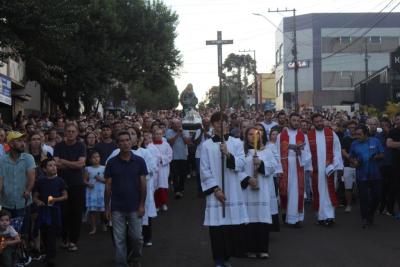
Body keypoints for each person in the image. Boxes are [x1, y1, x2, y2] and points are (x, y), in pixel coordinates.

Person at [200, 112, 248, 267]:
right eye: (217, 122)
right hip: (216, 192)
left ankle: (227, 257)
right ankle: (218, 259)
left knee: (230, 227)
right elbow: (204, 169)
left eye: (224, 122)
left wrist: (228, 154)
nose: (221, 124)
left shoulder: (236, 142)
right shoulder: (206, 145)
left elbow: (241, 164)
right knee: (217, 228)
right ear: (213, 125)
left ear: (228, 124)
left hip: (232, 189)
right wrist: (215, 189)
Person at [105, 131, 147, 267]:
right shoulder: (111, 163)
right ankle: (122, 264)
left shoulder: (139, 161)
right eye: (122, 141)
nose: (125, 143)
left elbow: (143, 185)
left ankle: (135, 258)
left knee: (137, 238)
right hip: (117, 207)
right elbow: (108, 187)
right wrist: (107, 208)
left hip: (135, 206)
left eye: (127, 140)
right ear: (117, 144)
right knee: (119, 240)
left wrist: (142, 205)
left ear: (131, 141)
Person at [239, 127, 277, 259]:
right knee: (249, 219)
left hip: (262, 191)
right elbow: (236, 169)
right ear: (245, 136)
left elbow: (273, 166)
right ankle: (249, 249)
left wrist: (261, 164)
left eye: (256, 134)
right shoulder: (241, 152)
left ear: (260, 136)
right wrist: (247, 179)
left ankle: (262, 249)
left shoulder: (266, 151)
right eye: (250, 134)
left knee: (262, 218)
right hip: (247, 191)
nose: (253, 137)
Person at [54, 123, 86, 252]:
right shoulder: (58, 146)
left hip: (77, 184)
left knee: (76, 213)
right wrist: (72, 164)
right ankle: (64, 238)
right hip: (61, 183)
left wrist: (64, 161)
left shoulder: (81, 146)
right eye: (69, 131)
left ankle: (73, 241)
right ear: (65, 133)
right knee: (63, 212)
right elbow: (56, 164)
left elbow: (80, 165)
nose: (71, 133)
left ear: (77, 133)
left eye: (73, 131)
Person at [276, 113, 312, 228]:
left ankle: (295, 218)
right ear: (289, 121)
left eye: (298, 121)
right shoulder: (280, 136)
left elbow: (308, 152)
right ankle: (286, 215)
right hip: (285, 165)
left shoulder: (303, 136)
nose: (296, 122)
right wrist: (278, 169)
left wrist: (300, 152)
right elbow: (276, 153)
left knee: (296, 192)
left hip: (298, 165)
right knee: (285, 191)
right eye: (294, 120)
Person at [308, 113, 343, 226]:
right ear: (313, 123)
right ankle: (320, 217)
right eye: (317, 122)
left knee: (329, 192)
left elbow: (337, 150)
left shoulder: (331, 134)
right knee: (317, 192)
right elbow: (307, 153)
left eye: (320, 121)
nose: (319, 123)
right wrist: (309, 166)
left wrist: (334, 164)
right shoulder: (309, 136)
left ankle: (330, 216)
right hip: (315, 170)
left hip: (329, 169)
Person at [33, 158, 68, 267]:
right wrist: (38, 201)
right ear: (44, 169)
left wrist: (55, 200)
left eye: (54, 165)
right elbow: (34, 196)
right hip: (43, 211)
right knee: (44, 233)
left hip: (54, 211)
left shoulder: (60, 181)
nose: (53, 167)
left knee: (52, 234)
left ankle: (51, 258)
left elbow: (65, 196)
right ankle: (47, 253)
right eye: (50, 165)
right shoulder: (40, 182)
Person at [350, 125, 384, 228]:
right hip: (361, 175)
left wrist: (376, 156)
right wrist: (354, 162)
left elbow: (382, 154)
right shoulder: (354, 144)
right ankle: (365, 218)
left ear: (366, 134)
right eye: (356, 134)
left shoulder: (375, 141)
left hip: (375, 174)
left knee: (377, 197)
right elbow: (351, 157)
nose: (357, 136)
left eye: (359, 134)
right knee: (364, 198)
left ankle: (371, 213)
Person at [0, 131, 35, 219]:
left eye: (23, 141)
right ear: (11, 144)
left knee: (24, 231)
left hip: (23, 202)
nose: (23, 143)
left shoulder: (28, 158)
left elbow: (32, 177)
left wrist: (28, 190)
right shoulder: (2, 160)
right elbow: (0, 180)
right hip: (6, 203)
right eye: (19, 141)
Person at [166, 119, 191, 199]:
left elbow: (187, 142)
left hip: (183, 156)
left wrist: (182, 134)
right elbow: (170, 143)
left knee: (183, 174)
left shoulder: (185, 131)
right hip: (173, 156)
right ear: (172, 125)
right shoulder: (169, 132)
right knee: (174, 174)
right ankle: (177, 190)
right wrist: (177, 134)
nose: (177, 126)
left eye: (178, 124)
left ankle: (181, 188)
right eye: (175, 124)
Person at [84, 151, 106, 235]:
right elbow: (84, 180)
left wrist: (100, 179)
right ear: (90, 159)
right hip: (92, 191)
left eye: (97, 157)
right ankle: (94, 227)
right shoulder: (88, 169)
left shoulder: (103, 168)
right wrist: (88, 184)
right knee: (92, 211)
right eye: (94, 157)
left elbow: (107, 180)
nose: (96, 159)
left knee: (103, 210)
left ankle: (104, 223)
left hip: (101, 191)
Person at [153, 128, 173, 211]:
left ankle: (163, 203)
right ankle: (156, 205)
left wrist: (161, 159)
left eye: (160, 134)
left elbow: (170, 155)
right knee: (155, 187)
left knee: (162, 186)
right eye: (156, 134)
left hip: (163, 168)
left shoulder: (166, 145)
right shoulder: (150, 145)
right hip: (154, 169)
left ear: (162, 135)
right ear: (154, 135)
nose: (158, 135)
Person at [340, 120, 357, 212]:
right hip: (347, 165)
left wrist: (357, 162)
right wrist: (350, 159)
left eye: (354, 127)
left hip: (360, 166)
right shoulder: (345, 139)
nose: (352, 129)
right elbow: (343, 151)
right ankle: (349, 205)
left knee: (361, 186)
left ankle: (363, 204)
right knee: (348, 187)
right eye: (350, 127)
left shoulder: (360, 138)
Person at [193, 117, 212, 196]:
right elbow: (196, 142)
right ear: (202, 124)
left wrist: (207, 134)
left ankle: (209, 188)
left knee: (209, 172)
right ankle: (200, 189)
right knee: (199, 173)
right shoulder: (198, 131)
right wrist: (201, 133)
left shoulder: (212, 131)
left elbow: (215, 140)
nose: (206, 124)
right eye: (205, 123)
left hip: (209, 155)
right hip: (199, 155)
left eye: (208, 122)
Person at [386, 113, 400, 217]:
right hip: (395, 163)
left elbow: (393, 144)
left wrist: (397, 144)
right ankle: (390, 210)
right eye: (397, 119)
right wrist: (394, 144)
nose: (399, 121)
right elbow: (389, 144)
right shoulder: (392, 132)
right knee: (394, 187)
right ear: (395, 121)